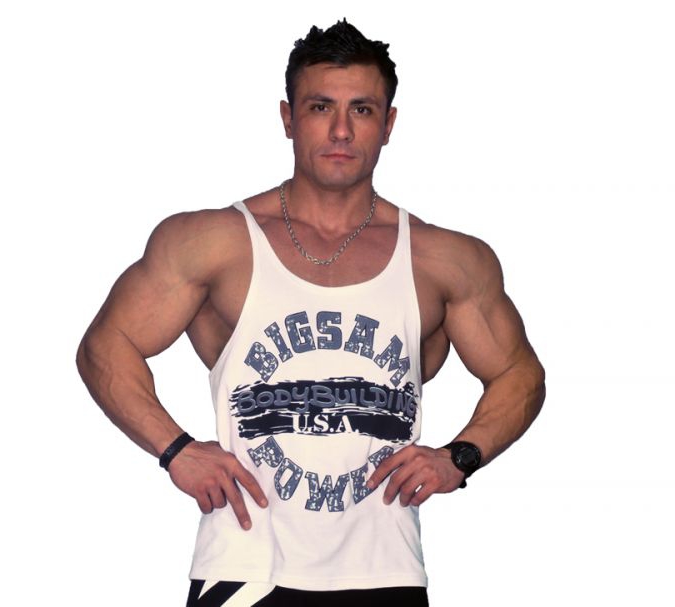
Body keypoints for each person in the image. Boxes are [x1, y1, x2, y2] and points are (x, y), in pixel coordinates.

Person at [76, 19, 545, 607]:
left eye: (362, 110)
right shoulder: (212, 242)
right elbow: (105, 345)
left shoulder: (443, 258)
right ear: (288, 118)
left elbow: (520, 374)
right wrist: (176, 450)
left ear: (388, 124)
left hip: (384, 571)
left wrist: (461, 456)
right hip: (246, 568)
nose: (341, 130)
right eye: (321, 107)